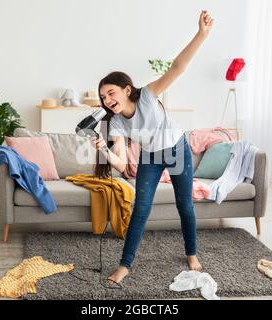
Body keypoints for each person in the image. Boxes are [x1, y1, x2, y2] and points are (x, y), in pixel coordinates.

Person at [91, 10, 214, 285]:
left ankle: (191, 253)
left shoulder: (147, 96)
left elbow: (177, 68)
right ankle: (125, 265)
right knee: (141, 208)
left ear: (126, 89)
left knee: (184, 204)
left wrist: (201, 34)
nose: (107, 99)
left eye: (111, 92)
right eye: (103, 97)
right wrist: (104, 150)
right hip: (150, 156)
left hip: (176, 148)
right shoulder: (117, 125)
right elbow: (122, 165)